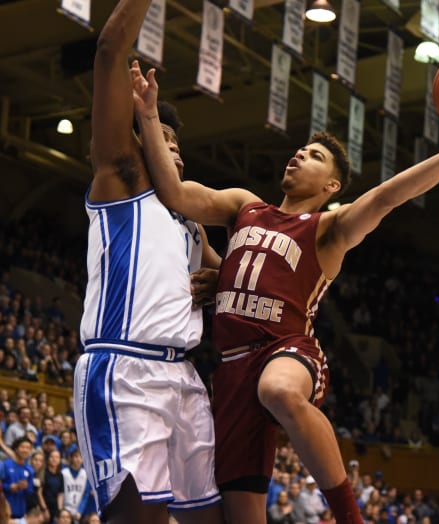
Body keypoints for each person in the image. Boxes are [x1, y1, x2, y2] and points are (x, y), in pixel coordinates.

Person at [131, 59, 439, 524]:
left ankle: (351, 518)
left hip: (287, 351)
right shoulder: (244, 207)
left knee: (278, 391)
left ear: (332, 185)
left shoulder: (328, 228)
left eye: (313, 156)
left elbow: (390, 196)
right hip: (230, 371)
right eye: (299, 150)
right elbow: (173, 192)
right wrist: (148, 116)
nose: (298, 156)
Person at [71, 1, 223, 523]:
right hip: (125, 370)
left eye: (178, 148)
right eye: (162, 140)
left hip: (184, 377)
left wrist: (219, 279)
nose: (172, 152)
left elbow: (243, 281)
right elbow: (111, 50)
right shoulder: (125, 181)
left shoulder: (192, 225)